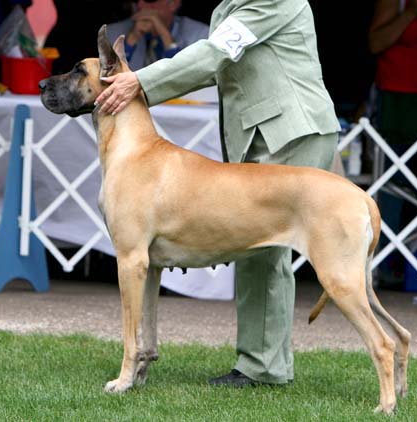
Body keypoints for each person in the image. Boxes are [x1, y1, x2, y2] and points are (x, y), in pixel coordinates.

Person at [96, 0, 340, 386]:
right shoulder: (229, 6)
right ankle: (264, 365)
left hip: (291, 131)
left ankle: (263, 368)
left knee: (266, 253)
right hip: (266, 131)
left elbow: (213, 55)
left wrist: (140, 81)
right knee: (258, 254)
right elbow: (213, 62)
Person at [369, 0, 417, 287]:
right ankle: (384, 265)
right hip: (399, 104)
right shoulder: (397, 2)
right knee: (393, 186)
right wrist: (411, 13)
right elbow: (375, 43)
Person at [107, 0, 209, 69]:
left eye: (149, 0)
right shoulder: (113, 32)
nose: (140, 5)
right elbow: (109, 75)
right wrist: (132, 39)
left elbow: (189, 77)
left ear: (173, 4)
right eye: (137, 0)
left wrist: (165, 35)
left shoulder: (200, 34)